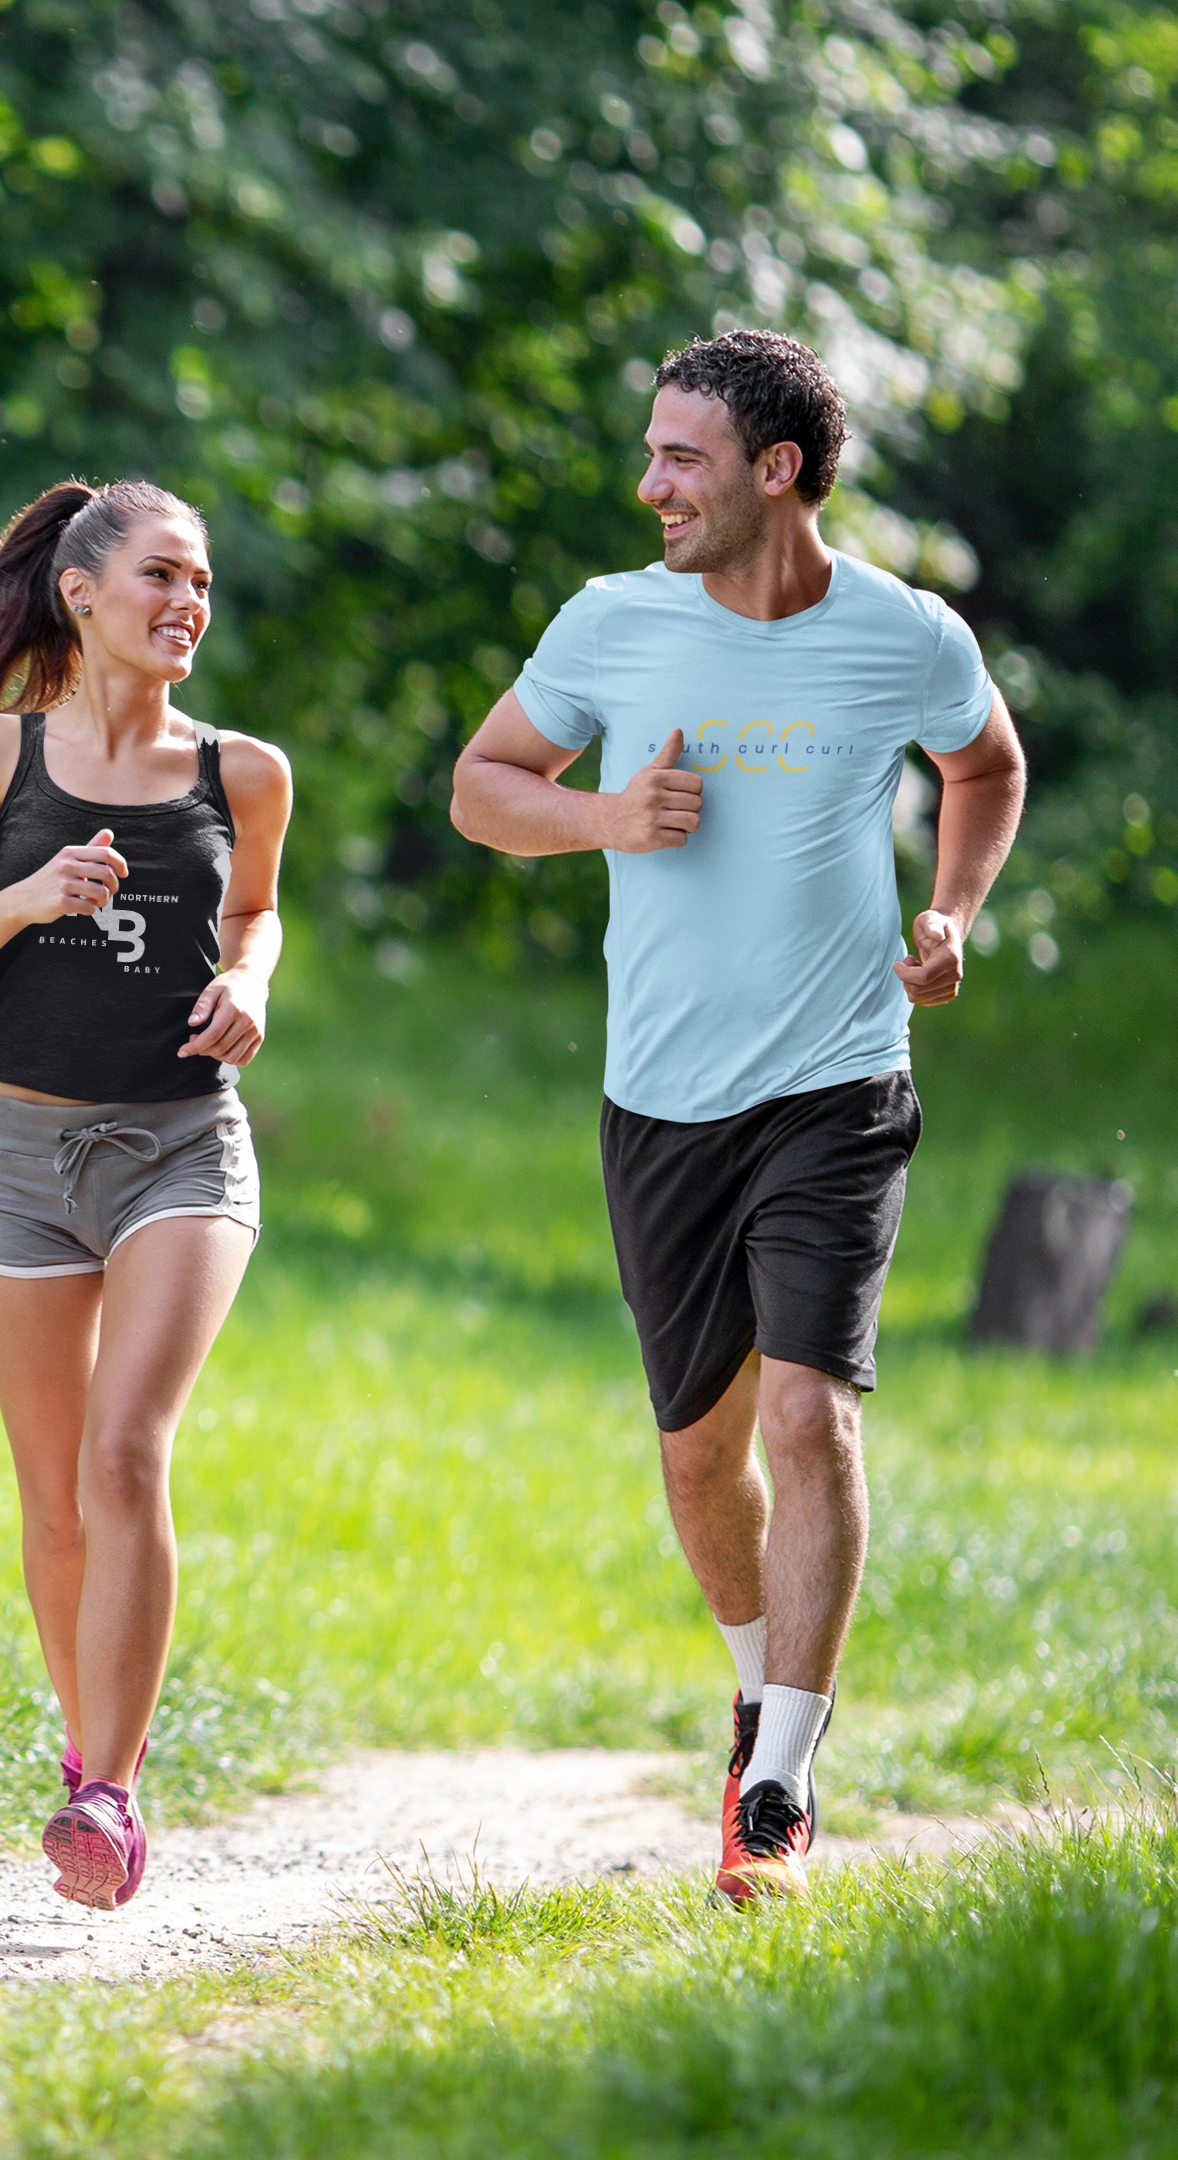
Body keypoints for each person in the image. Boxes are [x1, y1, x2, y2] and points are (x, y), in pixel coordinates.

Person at [450, 330, 1024, 1901]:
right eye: (652, 452)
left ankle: (782, 1770)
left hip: (841, 1081)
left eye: (681, 457)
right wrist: (601, 817)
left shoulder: (903, 634)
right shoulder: (611, 624)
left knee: (806, 1410)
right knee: (704, 1457)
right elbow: (482, 783)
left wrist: (955, 912)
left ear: (777, 471)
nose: (650, 486)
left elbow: (986, 768)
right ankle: (752, 1688)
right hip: (663, 1101)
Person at [0, 478, 291, 1910]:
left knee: (129, 1451)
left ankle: (114, 1798)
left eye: (203, 584)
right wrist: (26, 900)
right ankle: (85, 1760)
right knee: (53, 1499)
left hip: (182, 1145)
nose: (189, 604)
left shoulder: (242, 771)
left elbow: (254, 908)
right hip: (18, 1158)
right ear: (82, 591)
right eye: (163, 577)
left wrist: (246, 978)